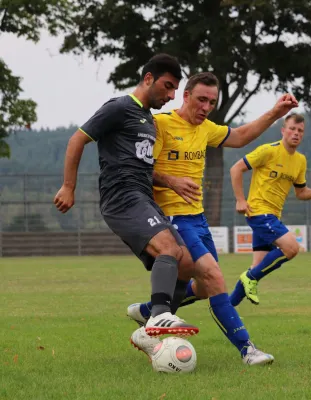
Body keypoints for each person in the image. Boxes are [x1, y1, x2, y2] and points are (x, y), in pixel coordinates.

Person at [125, 72, 299, 365]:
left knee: (205, 287)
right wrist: (172, 181)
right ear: (186, 96)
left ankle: (148, 311)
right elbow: (141, 169)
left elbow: (241, 136)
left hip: (198, 219)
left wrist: (276, 112)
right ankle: (248, 350)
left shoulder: (206, 128)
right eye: (201, 99)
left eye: (212, 102)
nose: (206, 107)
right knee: (215, 278)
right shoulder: (162, 124)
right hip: (172, 218)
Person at [53, 54, 201, 337]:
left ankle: (148, 327)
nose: (171, 96)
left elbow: (142, 164)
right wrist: (68, 186)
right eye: (167, 86)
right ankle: (159, 316)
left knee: (186, 263)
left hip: (143, 197)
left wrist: (169, 180)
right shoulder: (120, 107)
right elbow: (78, 139)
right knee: (169, 249)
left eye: (174, 89)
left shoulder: (147, 118)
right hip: (122, 196)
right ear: (148, 79)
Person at [227, 113, 311, 306]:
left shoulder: (300, 161)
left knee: (257, 266)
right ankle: (251, 277)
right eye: (292, 129)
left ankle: (227, 308)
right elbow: (236, 169)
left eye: (300, 131)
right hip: (258, 212)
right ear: (283, 130)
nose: (296, 133)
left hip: (273, 216)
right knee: (291, 248)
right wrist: (240, 199)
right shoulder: (268, 151)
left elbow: (300, 193)